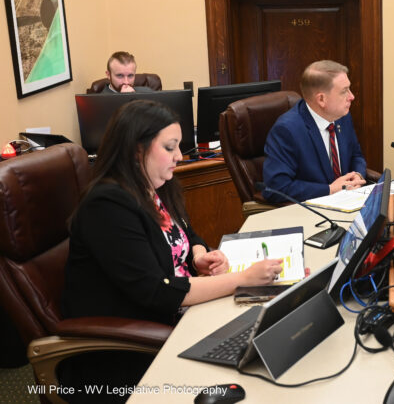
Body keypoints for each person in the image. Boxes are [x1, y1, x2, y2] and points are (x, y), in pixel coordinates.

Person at [61, 100, 283, 401]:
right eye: (170, 147)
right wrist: (243, 278)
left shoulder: (154, 186)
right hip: (133, 345)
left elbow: (187, 233)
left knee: (271, 331)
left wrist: (198, 254)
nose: (179, 156)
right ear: (136, 149)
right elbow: (158, 291)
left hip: (182, 314)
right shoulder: (108, 206)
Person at [263, 60, 367, 203]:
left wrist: (357, 175)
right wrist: (329, 189)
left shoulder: (342, 116)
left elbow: (356, 155)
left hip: (349, 200)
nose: (352, 96)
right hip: (311, 210)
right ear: (322, 99)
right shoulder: (287, 130)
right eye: (344, 91)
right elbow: (276, 188)